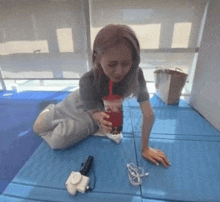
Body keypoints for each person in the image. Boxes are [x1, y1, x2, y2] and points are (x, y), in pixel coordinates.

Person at [33, 24, 171, 168]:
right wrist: (98, 117)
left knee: (58, 142)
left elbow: (148, 114)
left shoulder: (136, 74)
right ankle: (50, 109)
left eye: (125, 64)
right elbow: (93, 110)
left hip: (99, 111)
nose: (119, 71)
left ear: (133, 60)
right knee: (38, 128)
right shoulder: (88, 80)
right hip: (81, 102)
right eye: (112, 64)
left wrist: (145, 148)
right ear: (97, 58)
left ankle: (91, 126)